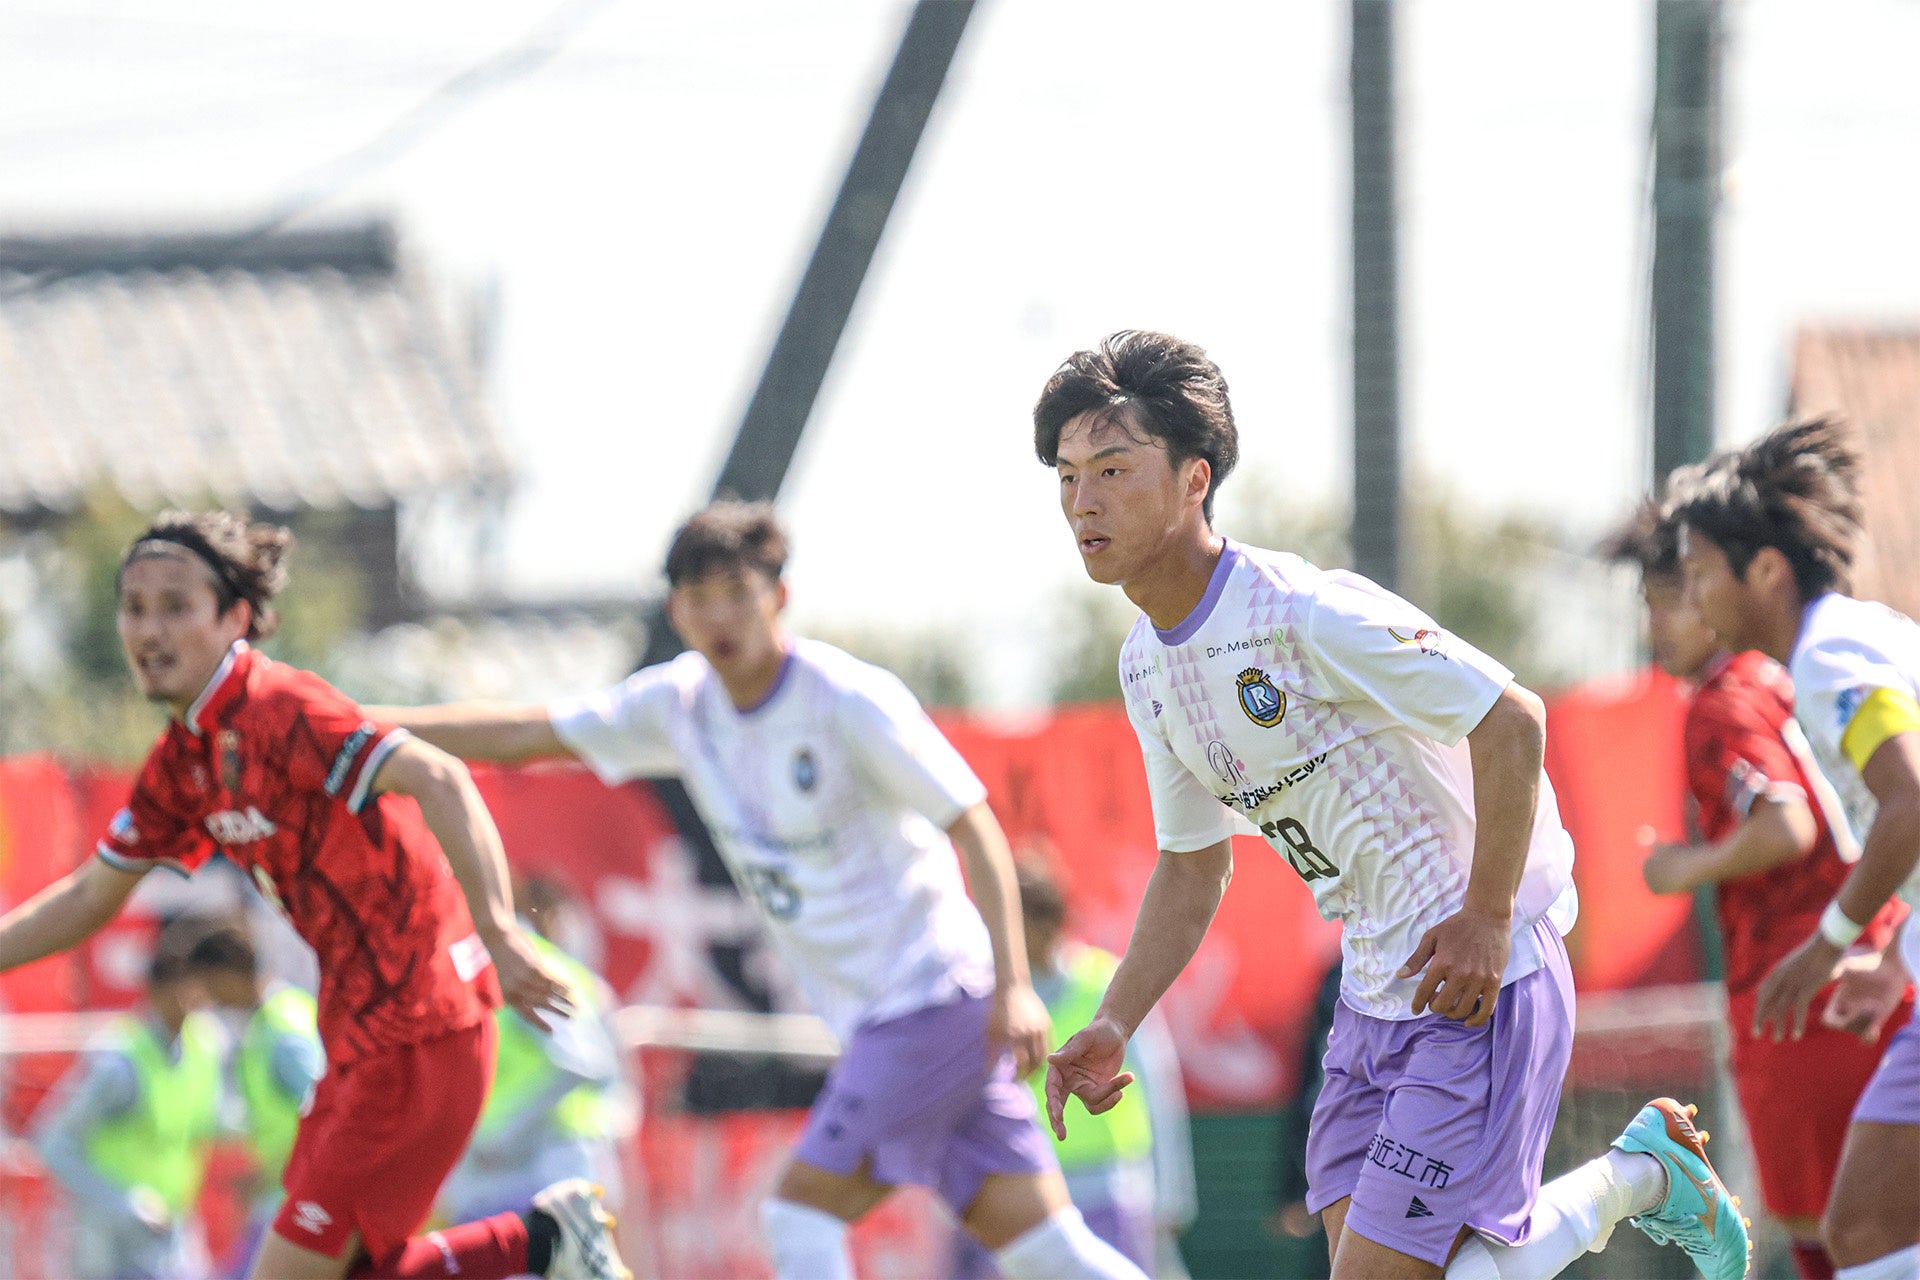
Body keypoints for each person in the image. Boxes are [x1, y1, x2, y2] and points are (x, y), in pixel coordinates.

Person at [1032, 330, 1753, 1280]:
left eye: (1113, 469)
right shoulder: (1145, 667)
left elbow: (1513, 720)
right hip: (1372, 993)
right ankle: (1643, 1172)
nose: (1083, 500)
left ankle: (1636, 1179)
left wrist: (1488, 918)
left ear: (1194, 478)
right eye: (1068, 476)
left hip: (1478, 977)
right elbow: (1194, 863)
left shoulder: (1303, 613)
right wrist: (1116, 1020)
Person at [378, 500, 1148, 1280]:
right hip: (902, 1021)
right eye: (699, 597)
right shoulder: (678, 707)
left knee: (797, 1215)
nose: (720, 616)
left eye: (737, 593)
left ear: (778, 596)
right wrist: (357, 729)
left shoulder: (846, 699)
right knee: (1048, 1251)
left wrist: (1014, 986)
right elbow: (524, 731)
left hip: (929, 1002)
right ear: (676, 612)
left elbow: (973, 822)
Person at [0, 511, 626, 1280]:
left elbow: (438, 774)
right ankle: (542, 1242)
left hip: (419, 1028)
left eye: (175, 606)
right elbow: (88, 898)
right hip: (360, 1044)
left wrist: (499, 933)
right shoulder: (182, 762)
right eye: (135, 608)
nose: (149, 629)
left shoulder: (280, 706)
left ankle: (540, 1242)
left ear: (234, 618)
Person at [1607, 493, 1913, 1280]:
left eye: (1676, 594)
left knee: (1830, 1235)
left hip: (1801, 990)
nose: (1658, 623)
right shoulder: (1781, 679)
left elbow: (1787, 824)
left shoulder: (1724, 702)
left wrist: (1683, 867)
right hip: (1882, 958)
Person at [950, 858, 1197, 1279]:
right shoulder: (981, 997)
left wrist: (1171, 1196)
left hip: (1107, 1196)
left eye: (1014, 922)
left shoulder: (1106, 987)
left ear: (1049, 922)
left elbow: (1159, 1092)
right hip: (1016, 1195)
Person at [33, 941, 223, 1280]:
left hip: (171, 1237)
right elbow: (52, 1142)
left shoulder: (204, 1048)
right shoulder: (119, 1062)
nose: (198, 997)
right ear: (157, 991)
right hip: (112, 1246)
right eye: (187, 987)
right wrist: (125, 1204)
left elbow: (206, 1127)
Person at [439, 889, 629, 1228]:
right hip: (491, 1179)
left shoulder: (527, 965)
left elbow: (583, 1063)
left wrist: (506, 1133)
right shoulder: (467, 964)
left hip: (542, 1173)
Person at [181, 922, 325, 1277]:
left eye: (210, 985)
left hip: (299, 1204)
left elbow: (327, 1117)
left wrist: (272, 1177)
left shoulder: (282, 1034)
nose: (209, 998)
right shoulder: (274, 1017)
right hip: (284, 1197)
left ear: (228, 976)